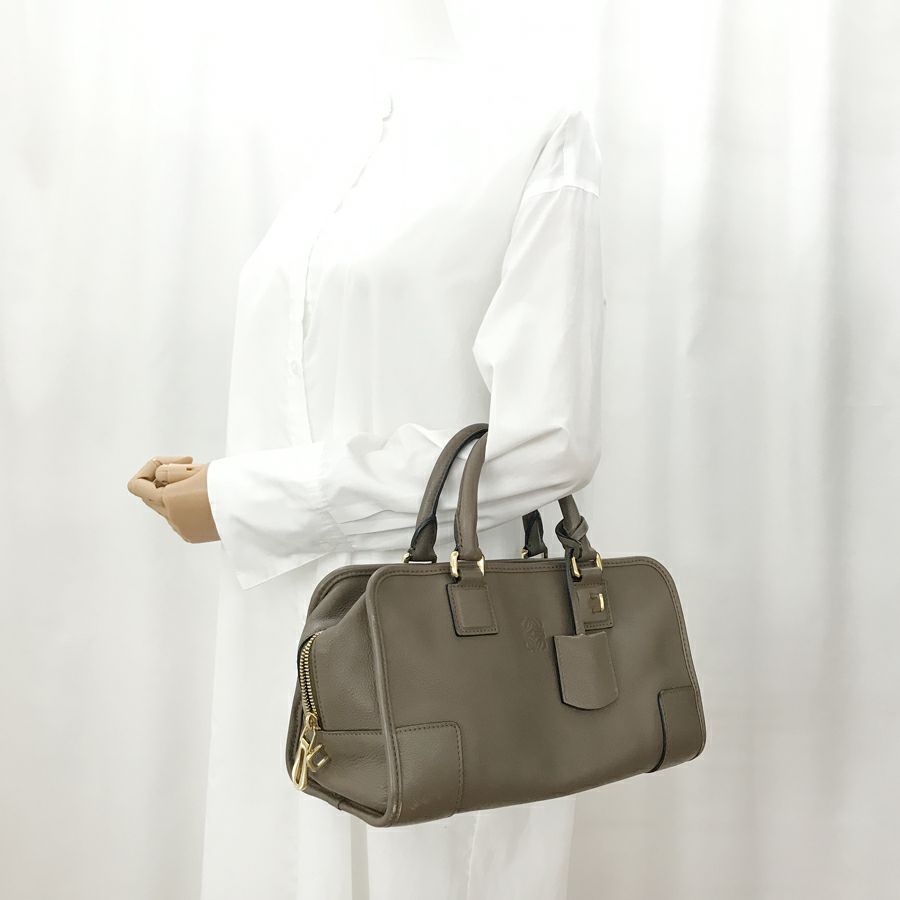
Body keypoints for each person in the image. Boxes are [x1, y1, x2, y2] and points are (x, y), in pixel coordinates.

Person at [127, 4, 606, 897]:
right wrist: (232, 483)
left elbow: (549, 439)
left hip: (437, 647)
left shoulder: (536, 130)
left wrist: (252, 497)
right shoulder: (327, 138)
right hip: (286, 623)